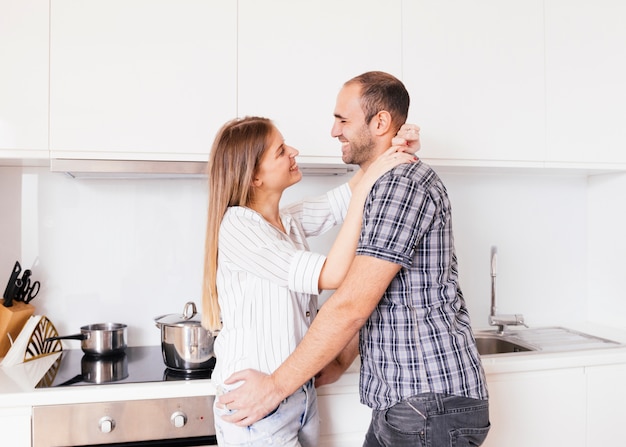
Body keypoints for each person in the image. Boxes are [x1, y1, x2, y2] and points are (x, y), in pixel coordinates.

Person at [217, 72, 491, 447]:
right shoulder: (246, 225)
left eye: (343, 120)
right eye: (281, 150)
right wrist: (336, 362)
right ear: (253, 177)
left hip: (424, 402)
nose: (332, 131)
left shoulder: (399, 184)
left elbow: (351, 303)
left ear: (378, 122)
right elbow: (357, 285)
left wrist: (281, 384)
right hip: (403, 403)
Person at [201, 116, 418, 446]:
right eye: (281, 150)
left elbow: (349, 193)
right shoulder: (238, 226)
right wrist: (370, 180)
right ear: (255, 176)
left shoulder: (287, 220)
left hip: (295, 393)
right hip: (256, 403)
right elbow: (331, 274)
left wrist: (393, 147)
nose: (294, 151)